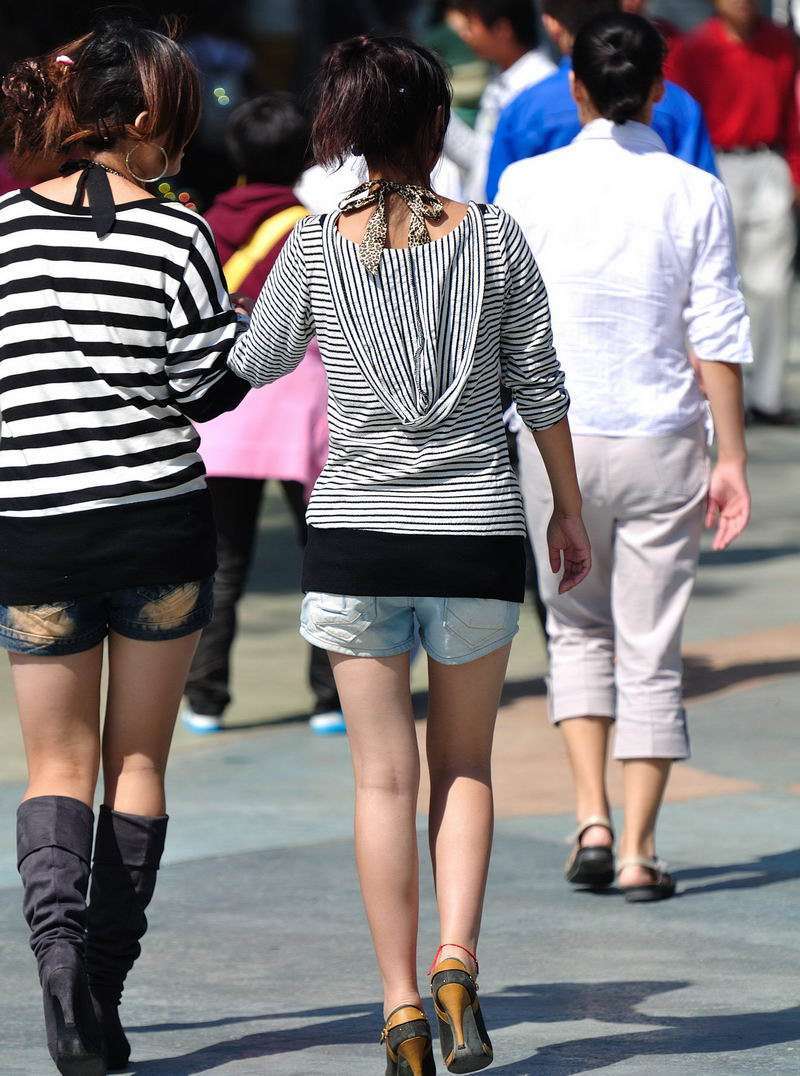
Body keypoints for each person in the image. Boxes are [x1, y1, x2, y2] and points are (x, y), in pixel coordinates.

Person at [227, 34, 590, 1075]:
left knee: (381, 783)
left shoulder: (312, 244)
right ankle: (456, 961)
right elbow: (540, 384)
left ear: (347, 131)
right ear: (436, 126)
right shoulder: (495, 236)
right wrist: (565, 511)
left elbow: (254, 361)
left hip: (355, 537)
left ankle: (398, 1011)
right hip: (476, 531)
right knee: (463, 764)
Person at [0, 16, 249, 1073]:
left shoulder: (5, 230)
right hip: (156, 525)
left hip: (35, 530)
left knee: (53, 763)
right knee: (136, 761)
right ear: (146, 117)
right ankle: (101, 988)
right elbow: (206, 386)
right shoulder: (179, 234)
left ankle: (57, 970)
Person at [497, 11, 752, 903]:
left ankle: (591, 819)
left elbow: (500, 317)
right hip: (662, 435)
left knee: (575, 628)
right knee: (652, 643)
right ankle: (642, 850)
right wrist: (732, 456)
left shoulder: (525, 185)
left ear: (574, 88)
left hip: (552, 438)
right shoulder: (695, 190)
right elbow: (716, 328)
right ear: (659, 89)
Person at [180, 92, 343, 737]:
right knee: (322, 560)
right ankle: (330, 698)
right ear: (305, 156)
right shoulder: (320, 233)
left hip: (222, 415)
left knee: (221, 564)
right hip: (306, 417)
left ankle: (204, 698)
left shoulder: (201, 226)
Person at [670, 0, 799, 425]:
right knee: (714, 282)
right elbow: (681, 118)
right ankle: (719, 393)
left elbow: (795, 114)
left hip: (767, 162)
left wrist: (795, 171)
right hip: (714, 165)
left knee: (773, 285)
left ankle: (767, 396)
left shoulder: (782, 44)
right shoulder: (694, 48)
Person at [485, 0, 718, 200]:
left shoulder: (523, 110)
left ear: (577, 88)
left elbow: (500, 210)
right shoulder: (679, 104)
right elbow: (699, 194)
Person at [442, 0, 556, 200]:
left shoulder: (540, 85)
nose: (466, 35)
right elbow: (483, 158)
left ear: (502, 29)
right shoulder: (501, 80)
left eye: (471, 25)